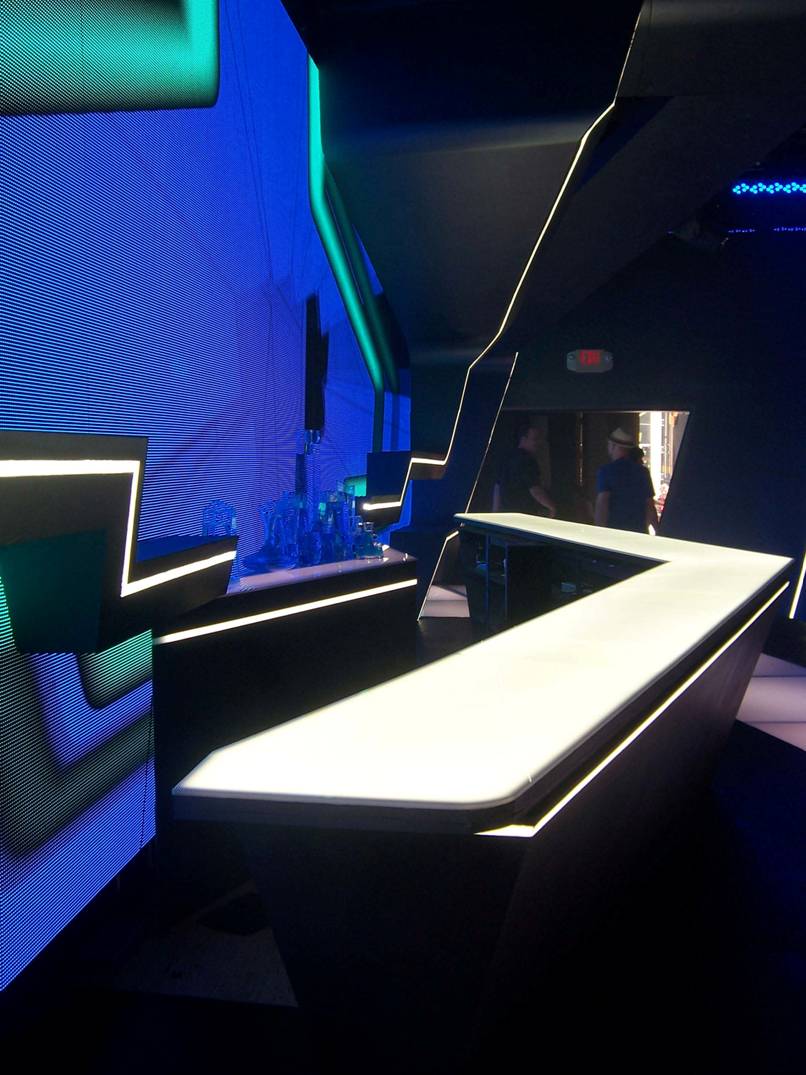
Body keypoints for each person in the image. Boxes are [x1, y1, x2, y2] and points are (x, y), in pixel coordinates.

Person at [595, 427, 658, 533]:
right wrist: (658, 531)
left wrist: (599, 531)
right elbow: (650, 505)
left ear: (613, 446)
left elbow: (603, 503)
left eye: (609, 445)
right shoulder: (643, 472)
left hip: (614, 532)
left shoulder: (606, 471)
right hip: (638, 532)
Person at [494, 417, 556, 517]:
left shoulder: (507, 457)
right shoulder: (528, 461)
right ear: (523, 439)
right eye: (535, 439)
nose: (538, 443)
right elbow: (534, 489)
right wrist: (551, 507)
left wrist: (495, 512)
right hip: (523, 515)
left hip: (506, 515)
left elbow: (497, 486)